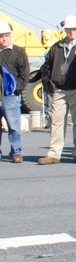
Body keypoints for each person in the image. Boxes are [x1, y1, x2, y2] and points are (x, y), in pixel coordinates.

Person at [38, 15, 76, 164]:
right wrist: (49, 81)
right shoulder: (57, 47)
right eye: (68, 29)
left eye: (74, 29)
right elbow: (47, 65)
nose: (71, 32)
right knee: (56, 122)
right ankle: (54, 153)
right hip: (59, 90)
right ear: (64, 29)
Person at [0, 21, 29, 164]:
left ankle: (16, 152)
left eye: (6, 36)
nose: (4, 39)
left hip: (10, 96)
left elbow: (24, 74)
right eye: (1, 36)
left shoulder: (18, 52)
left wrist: (15, 90)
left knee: (13, 125)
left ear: (10, 36)